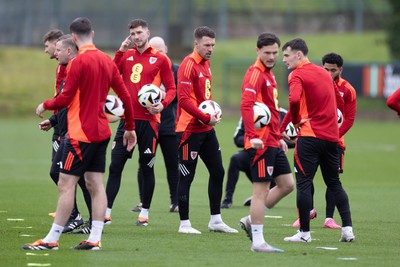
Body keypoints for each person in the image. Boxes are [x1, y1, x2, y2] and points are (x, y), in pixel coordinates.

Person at [23, 17, 137, 250]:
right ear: (92, 34)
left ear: (73, 38)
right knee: (95, 183)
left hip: (80, 134)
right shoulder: (106, 60)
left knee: (66, 184)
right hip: (102, 132)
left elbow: (65, 98)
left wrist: (45, 104)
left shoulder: (76, 63)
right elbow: (125, 96)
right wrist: (130, 128)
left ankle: (52, 239)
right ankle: (95, 238)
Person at [281, 38, 355, 243]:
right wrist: (333, 122)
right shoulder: (323, 73)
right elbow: (339, 102)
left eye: (286, 55)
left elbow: (294, 100)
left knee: (304, 184)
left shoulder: (296, 74)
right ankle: (348, 229)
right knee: (334, 183)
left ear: (298, 55)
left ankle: (304, 233)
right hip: (332, 138)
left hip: (310, 137)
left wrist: (295, 122)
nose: (283, 60)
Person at [104, 19, 176, 226]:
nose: (136, 37)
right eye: (133, 34)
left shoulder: (161, 59)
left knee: (147, 167)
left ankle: (144, 213)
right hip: (126, 120)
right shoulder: (126, 56)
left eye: (139, 33)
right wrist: (119, 51)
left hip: (149, 122)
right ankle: (106, 212)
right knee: (115, 165)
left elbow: (172, 89)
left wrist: (163, 104)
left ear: (147, 32)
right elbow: (109, 73)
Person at [175, 26, 237, 235]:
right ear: (196, 44)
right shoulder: (188, 64)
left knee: (218, 171)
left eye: (213, 45)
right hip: (188, 130)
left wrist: (210, 114)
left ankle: (216, 220)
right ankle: (184, 224)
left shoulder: (207, 64)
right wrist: (205, 117)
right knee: (186, 176)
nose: (211, 48)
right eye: (207, 45)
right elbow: (183, 100)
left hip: (205, 128)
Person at [237, 33, 294, 253]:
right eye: (267, 52)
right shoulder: (255, 74)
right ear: (258, 51)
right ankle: (258, 242)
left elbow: (271, 110)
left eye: (274, 52)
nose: (271, 56)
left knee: (287, 184)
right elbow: (246, 106)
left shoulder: (270, 75)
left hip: (272, 141)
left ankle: (250, 220)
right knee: (260, 192)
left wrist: (279, 137)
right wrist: (251, 135)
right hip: (259, 143)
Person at [39, 35, 93, 234]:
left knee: (79, 177)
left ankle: (89, 221)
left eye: (51, 47)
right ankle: (79, 218)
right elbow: (65, 101)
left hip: (76, 131)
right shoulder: (64, 68)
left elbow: (69, 100)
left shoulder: (76, 68)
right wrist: (54, 120)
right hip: (65, 127)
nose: (50, 51)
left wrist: (46, 108)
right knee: (65, 174)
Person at [131, 36, 180, 213]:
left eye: (160, 50)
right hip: (147, 124)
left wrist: (163, 95)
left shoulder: (176, 69)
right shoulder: (145, 67)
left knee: (172, 164)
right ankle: (143, 201)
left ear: (166, 49)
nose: (158, 53)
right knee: (144, 163)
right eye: (154, 50)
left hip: (168, 125)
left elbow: (179, 96)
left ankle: (175, 201)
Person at [221, 108, 292, 209]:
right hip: (253, 151)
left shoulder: (282, 114)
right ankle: (228, 199)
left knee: (286, 184)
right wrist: (254, 140)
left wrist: (277, 141)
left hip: (274, 151)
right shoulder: (252, 112)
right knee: (236, 159)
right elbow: (237, 138)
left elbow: (294, 138)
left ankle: (261, 198)